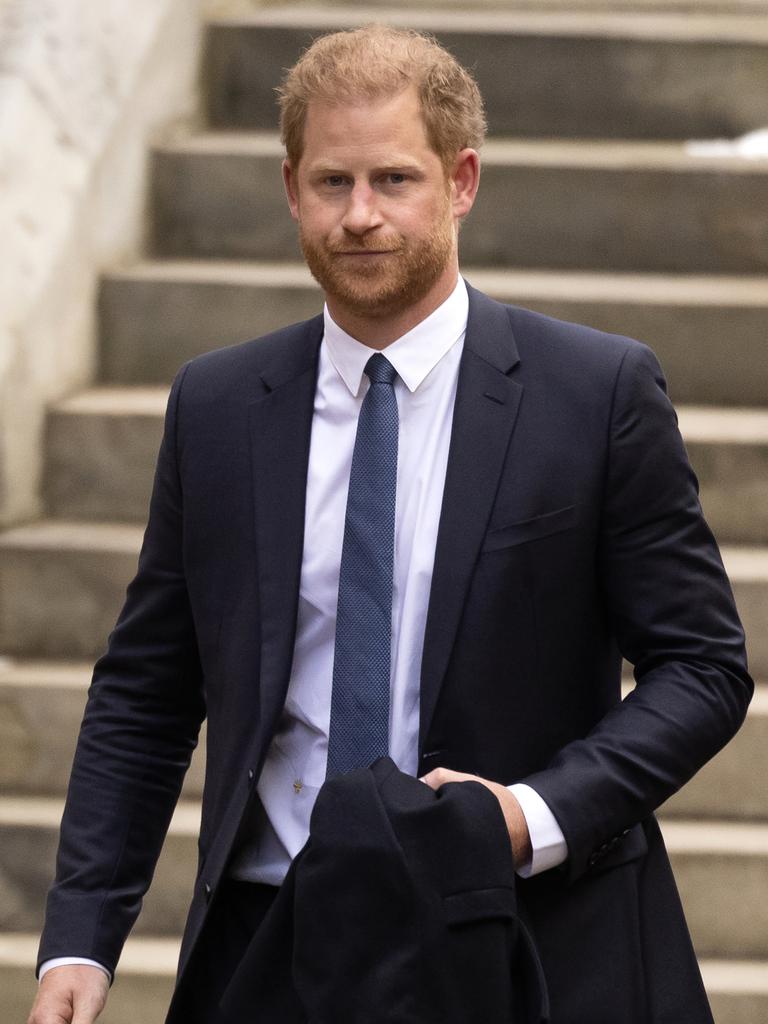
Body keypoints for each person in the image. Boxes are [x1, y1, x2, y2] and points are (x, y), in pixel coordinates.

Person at [29, 24, 751, 1024]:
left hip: (521, 941)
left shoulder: (594, 393)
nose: (360, 215)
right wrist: (80, 938)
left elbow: (703, 667)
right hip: (270, 943)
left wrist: (528, 813)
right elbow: (148, 689)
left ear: (461, 181)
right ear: (290, 190)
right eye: (332, 183)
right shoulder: (219, 406)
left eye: (394, 179)